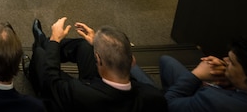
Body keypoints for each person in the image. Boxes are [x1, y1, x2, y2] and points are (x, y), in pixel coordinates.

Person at [30, 15, 167, 112]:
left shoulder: (78, 93)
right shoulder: (154, 97)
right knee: (85, 46)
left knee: (40, 55)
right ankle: (44, 42)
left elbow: (51, 81)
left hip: (84, 100)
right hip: (102, 86)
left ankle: (39, 49)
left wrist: (55, 41)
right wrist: (96, 43)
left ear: (99, 60)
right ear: (133, 61)